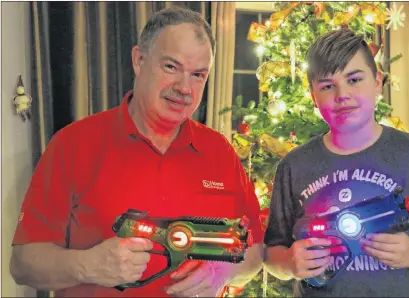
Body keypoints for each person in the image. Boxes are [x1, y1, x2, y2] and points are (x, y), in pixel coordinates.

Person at [10, 7, 264, 297]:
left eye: (198, 75)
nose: (185, 88)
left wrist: (226, 270)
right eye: (171, 67)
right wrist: (86, 265)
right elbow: (23, 264)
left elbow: (255, 252)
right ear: (139, 61)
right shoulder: (72, 144)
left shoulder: (220, 152)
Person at [262, 28, 409, 297]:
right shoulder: (294, 165)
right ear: (313, 96)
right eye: (327, 86)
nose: (342, 95)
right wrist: (289, 263)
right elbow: (271, 252)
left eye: (354, 79)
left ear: (377, 81)